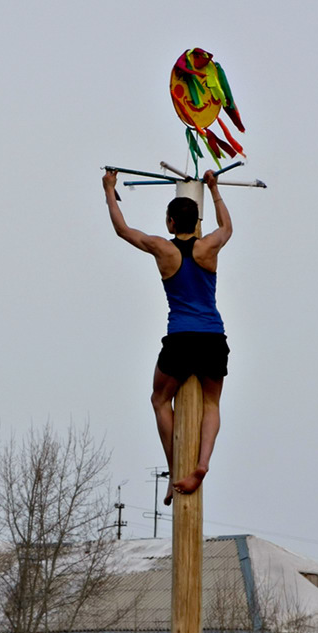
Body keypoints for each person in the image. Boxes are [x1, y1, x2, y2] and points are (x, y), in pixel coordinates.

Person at [103, 168, 232, 505]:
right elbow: (228, 228)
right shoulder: (209, 248)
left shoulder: (164, 250)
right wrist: (215, 190)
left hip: (181, 337)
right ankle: (202, 464)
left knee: (159, 399)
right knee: (211, 403)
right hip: (213, 335)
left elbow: (122, 230)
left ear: (172, 222)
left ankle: (176, 468)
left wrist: (109, 189)